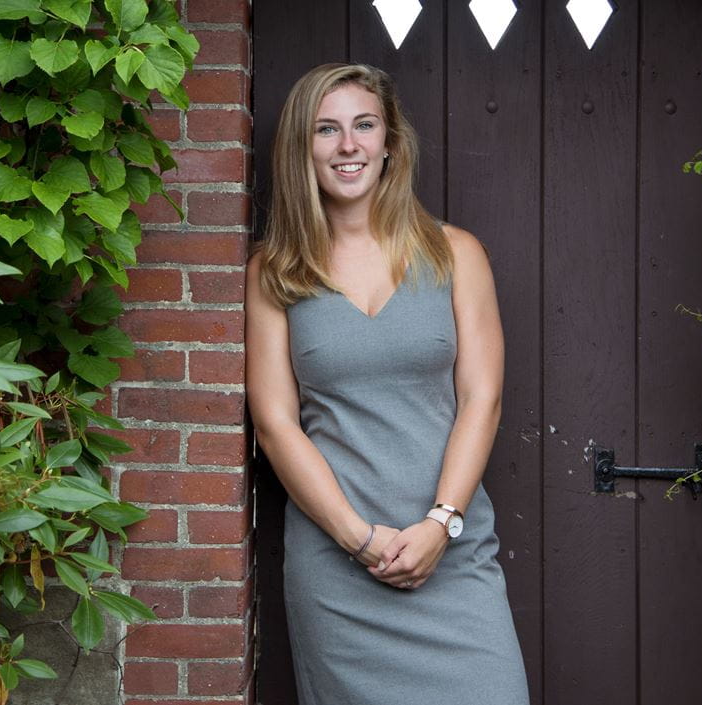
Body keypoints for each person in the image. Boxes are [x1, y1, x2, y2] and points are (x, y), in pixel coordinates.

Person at [245, 63, 530, 705]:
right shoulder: (274, 271)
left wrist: (440, 523)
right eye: (327, 129)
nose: (348, 145)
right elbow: (275, 423)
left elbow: (481, 400)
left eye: (364, 125)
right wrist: (357, 537)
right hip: (338, 568)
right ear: (302, 148)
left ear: (390, 143)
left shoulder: (457, 254)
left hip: (452, 556)